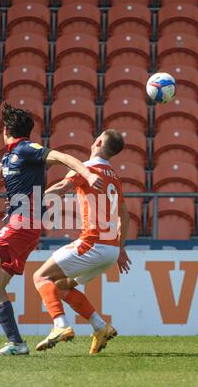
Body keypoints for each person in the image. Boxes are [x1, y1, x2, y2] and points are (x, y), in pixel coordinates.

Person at [0, 103, 103, 357]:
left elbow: (62, 157)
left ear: (6, 130)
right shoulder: (9, 157)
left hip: (24, 220)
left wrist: (87, 174)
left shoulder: (27, 149)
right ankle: (16, 343)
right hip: (25, 226)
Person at [33, 129, 131, 355]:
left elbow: (60, 189)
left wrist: (33, 199)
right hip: (110, 249)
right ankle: (100, 326)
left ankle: (60, 326)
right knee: (62, 286)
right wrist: (121, 247)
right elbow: (124, 216)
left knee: (40, 276)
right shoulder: (114, 177)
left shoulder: (86, 168)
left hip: (92, 243)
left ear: (97, 142)